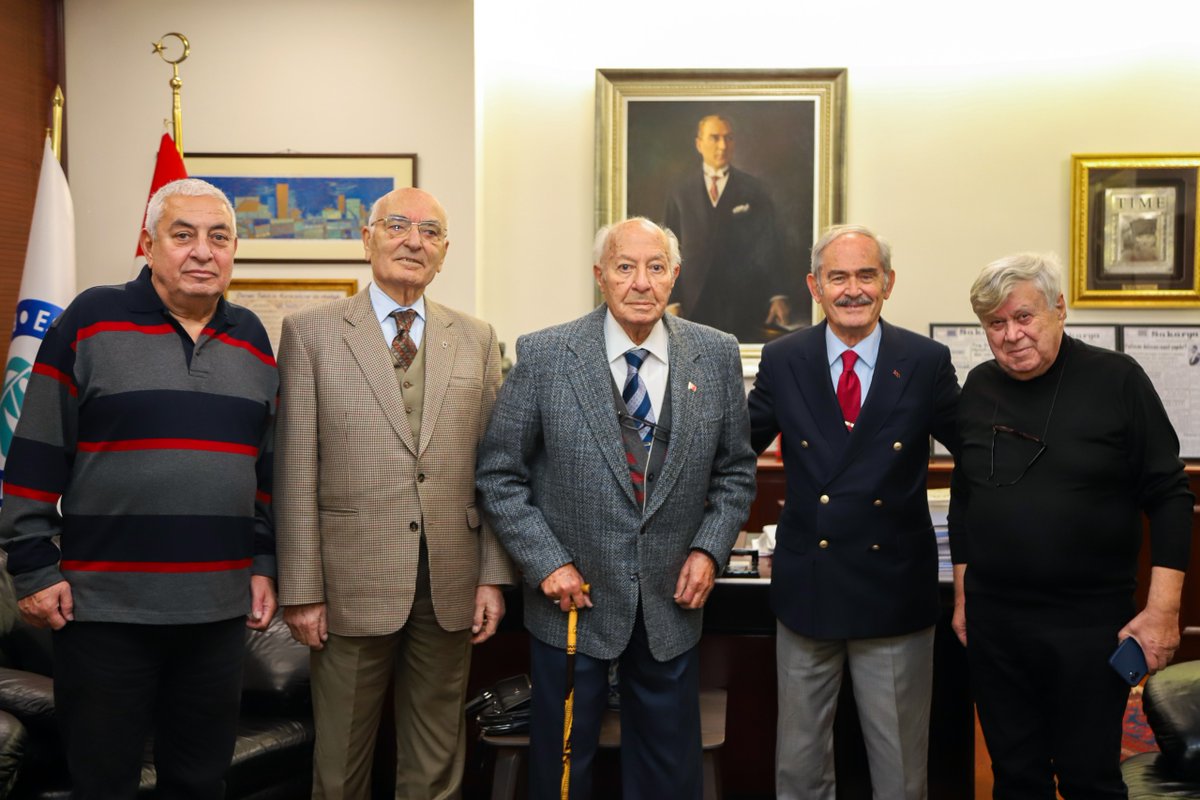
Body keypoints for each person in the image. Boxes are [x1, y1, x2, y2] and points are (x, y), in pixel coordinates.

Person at [0, 177, 278, 799]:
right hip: (104, 611)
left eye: (219, 237)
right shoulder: (91, 320)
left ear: (234, 250)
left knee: (202, 782)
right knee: (104, 784)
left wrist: (262, 563)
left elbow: (266, 473)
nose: (202, 251)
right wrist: (34, 570)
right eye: (183, 235)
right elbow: (35, 452)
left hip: (217, 614)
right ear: (148, 245)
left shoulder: (253, 338)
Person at [476, 217, 756, 799]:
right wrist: (547, 563)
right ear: (600, 275)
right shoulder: (547, 354)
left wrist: (709, 549)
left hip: (670, 606)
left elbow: (735, 472)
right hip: (571, 605)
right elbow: (500, 474)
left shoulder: (715, 353)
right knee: (561, 774)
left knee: (667, 777)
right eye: (625, 267)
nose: (641, 282)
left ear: (674, 275)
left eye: (656, 267)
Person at [274, 187, 513, 799]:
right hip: (349, 581)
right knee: (340, 766)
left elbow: (497, 467)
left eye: (430, 232)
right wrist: (301, 591)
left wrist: (491, 574)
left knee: (436, 764)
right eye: (399, 226)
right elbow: (295, 468)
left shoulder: (478, 338)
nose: (414, 241)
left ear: (444, 252)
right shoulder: (312, 334)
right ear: (368, 237)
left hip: (449, 581)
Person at [949, 252, 1193, 799]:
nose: (1011, 335)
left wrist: (1163, 612)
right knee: (1015, 776)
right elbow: (965, 497)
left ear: (1060, 310)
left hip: (1088, 623)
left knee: (1090, 778)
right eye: (995, 323)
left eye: (1024, 317)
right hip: (996, 622)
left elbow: (1171, 496)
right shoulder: (978, 387)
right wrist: (965, 595)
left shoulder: (1117, 380)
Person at [747, 224, 960, 800]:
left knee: (898, 771)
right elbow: (735, 448)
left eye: (866, 275)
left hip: (893, 588)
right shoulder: (783, 357)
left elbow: (980, 458)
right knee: (798, 766)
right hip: (806, 588)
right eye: (837, 277)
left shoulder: (925, 360)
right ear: (813, 286)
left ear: (888, 283)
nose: (852, 290)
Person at [664, 114, 790, 341]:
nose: (722, 145)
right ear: (699, 144)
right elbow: (667, 250)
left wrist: (776, 295)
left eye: (728, 138)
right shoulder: (680, 192)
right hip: (694, 303)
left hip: (744, 301)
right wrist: (673, 300)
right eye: (714, 138)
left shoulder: (754, 190)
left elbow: (771, 244)